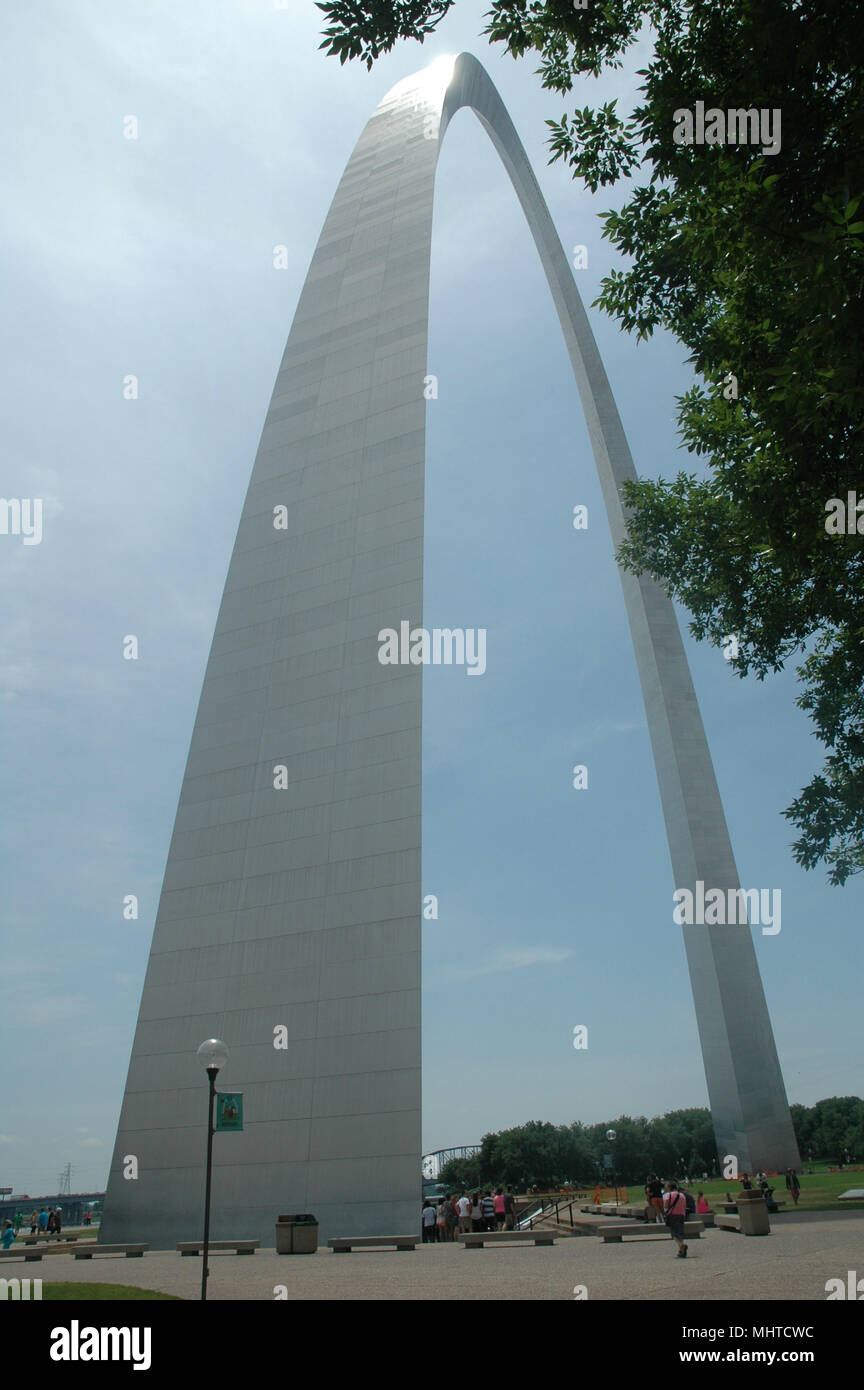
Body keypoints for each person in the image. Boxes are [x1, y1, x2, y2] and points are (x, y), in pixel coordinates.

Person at [663, 1180, 688, 1258]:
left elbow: (666, 1206)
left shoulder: (668, 1195)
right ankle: (681, 1251)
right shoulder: (682, 1195)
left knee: (674, 1233)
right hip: (681, 1215)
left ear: (669, 1187)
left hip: (672, 1215)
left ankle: (681, 1245)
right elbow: (684, 1206)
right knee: (680, 1232)